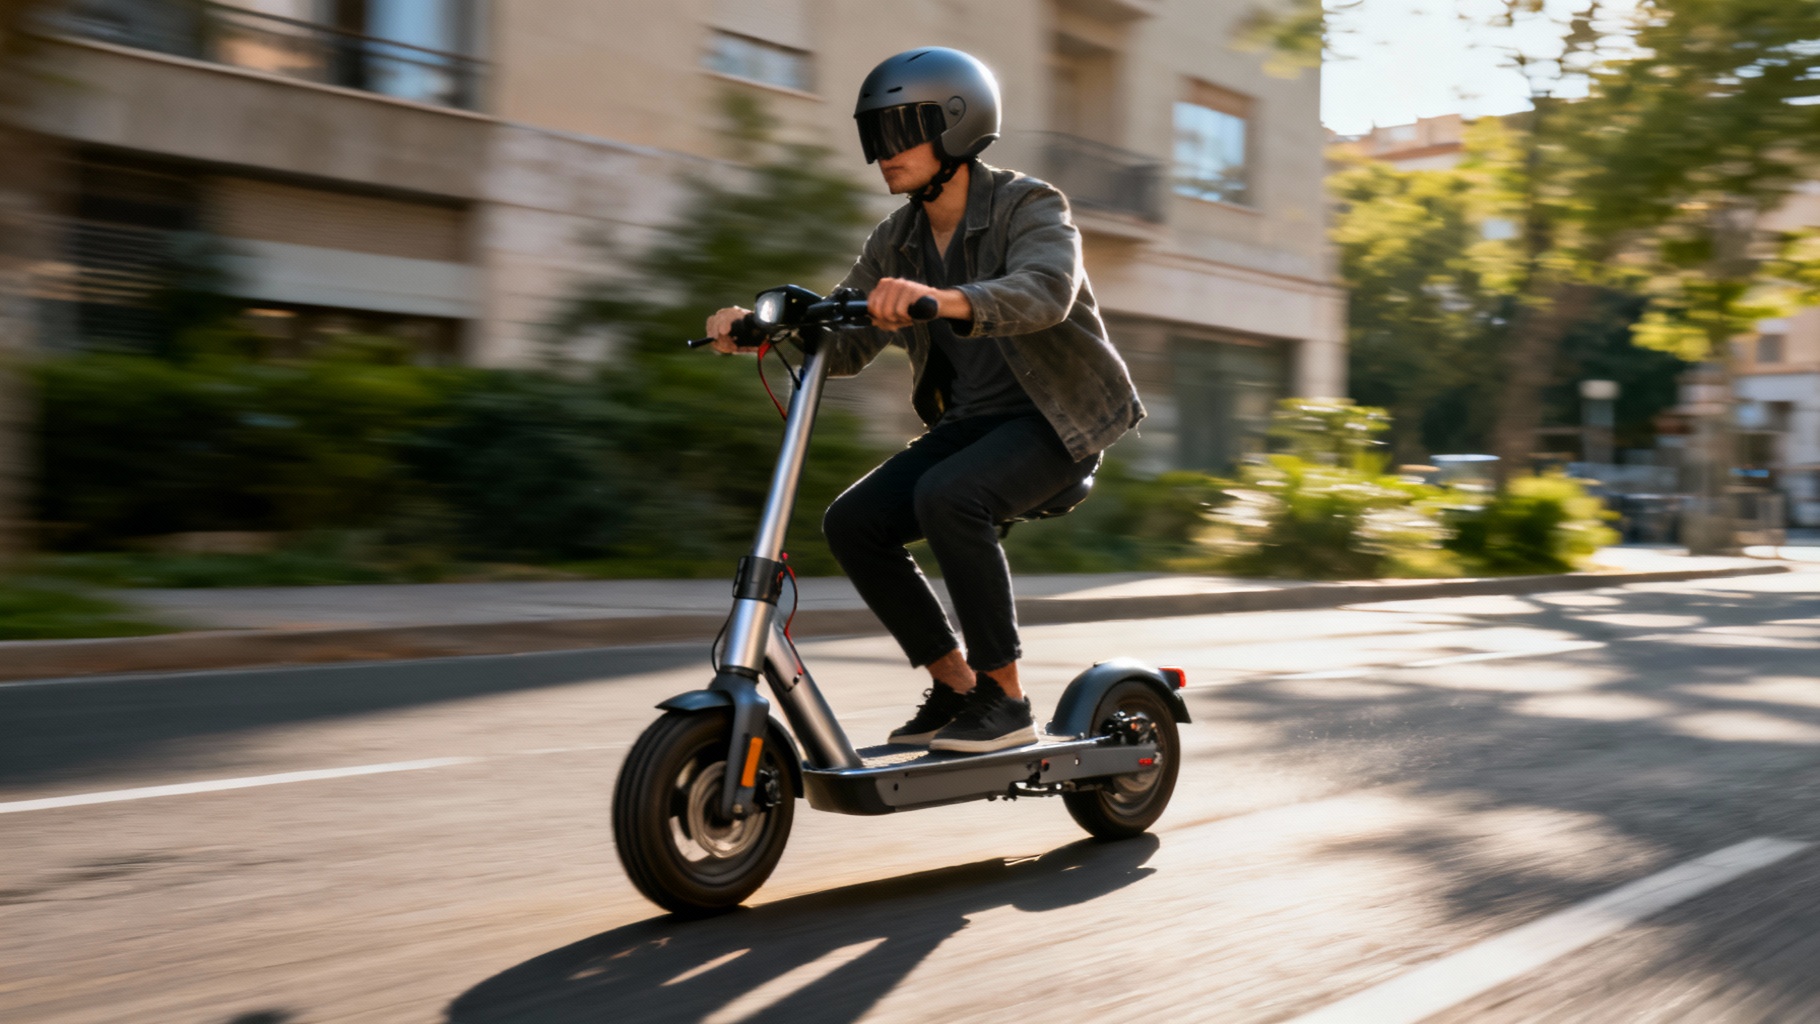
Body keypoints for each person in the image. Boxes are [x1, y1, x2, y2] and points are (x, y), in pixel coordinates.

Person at [706, 47, 1144, 754]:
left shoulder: (1030, 204)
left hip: (1055, 423)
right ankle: (956, 685)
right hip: (972, 426)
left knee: (950, 495)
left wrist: (940, 300)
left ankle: (1004, 698)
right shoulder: (897, 238)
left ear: (958, 127)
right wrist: (760, 331)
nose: (884, 153)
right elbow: (845, 341)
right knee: (853, 522)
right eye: (874, 135)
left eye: (900, 130)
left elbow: (1046, 291)